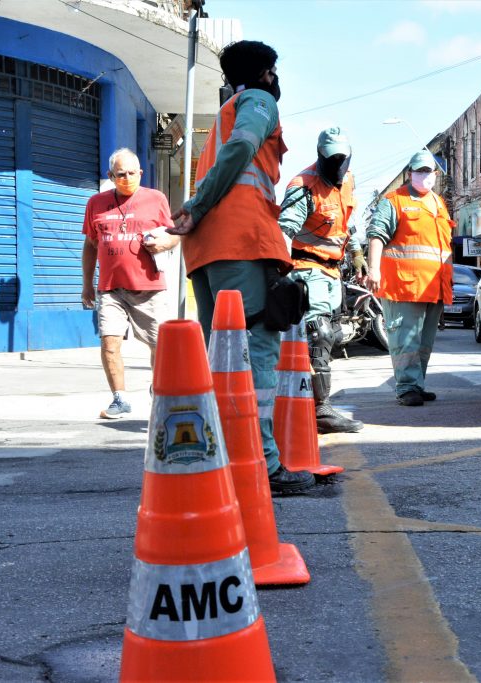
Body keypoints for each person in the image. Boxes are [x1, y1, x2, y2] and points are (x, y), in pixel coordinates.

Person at [167, 40, 315, 495]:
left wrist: (198, 210)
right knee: (256, 354)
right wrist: (196, 204)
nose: (276, 80)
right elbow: (244, 148)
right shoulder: (258, 101)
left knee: (223, 361)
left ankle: (226, 461)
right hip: (241, 244)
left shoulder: (225, 111)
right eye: (273, 72)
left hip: (209, 250)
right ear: (266, 73)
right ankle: (263, 465)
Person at [81, 148, 179, 419]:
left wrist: (165, 242)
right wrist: (87, 284)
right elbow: (90, 245)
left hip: (149, 288)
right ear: (110, 176)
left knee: (159, 345)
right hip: (110, 288)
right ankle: (119, 398)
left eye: (131, 173)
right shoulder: (96, 203)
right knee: (109, 342)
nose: (126, 179)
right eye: (120, 174)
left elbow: (173, 235)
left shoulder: (156, 199)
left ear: (141, 173)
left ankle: (158, 391)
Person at [279, 127, 364, 434]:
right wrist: (276, 268)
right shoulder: (303, 186)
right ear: (320, 157)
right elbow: (284, 230)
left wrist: (356, 253)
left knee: (330, 337)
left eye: (343, 159)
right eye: (333, 160)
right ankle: (320, 410)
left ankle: (307, 403)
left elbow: (345, 220)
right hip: (306, 267)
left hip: (332, 271)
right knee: (319, 334)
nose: (338, 166)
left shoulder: (348, 181)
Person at [365, 150, 453, 407]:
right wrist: (373, 269)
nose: (425, 175)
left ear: (436, 174)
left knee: (424, 341)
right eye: (420, 171)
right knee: (405, 339)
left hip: (433, 286)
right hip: (404, 285)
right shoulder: (394, 201)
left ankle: (417, 383)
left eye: (429, 171)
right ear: (409, 173)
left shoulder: (438, 203)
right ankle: (406, 388)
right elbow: (376, 235)